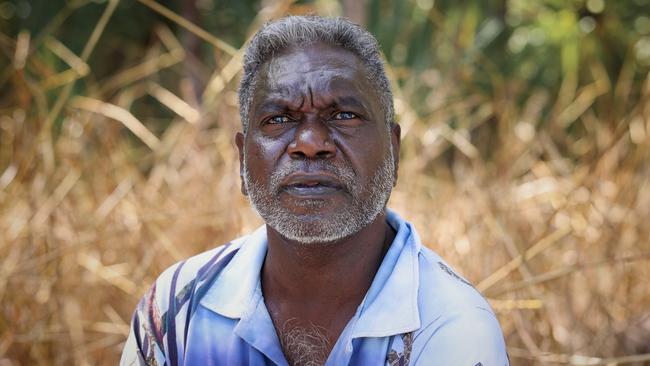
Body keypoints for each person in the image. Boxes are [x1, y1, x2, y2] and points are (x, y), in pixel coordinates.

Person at [120, 15, 509, 366]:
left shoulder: (450, 328)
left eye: (344, 115)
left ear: (394, 152)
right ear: (242, 161)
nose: (310, 142)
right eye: (278, 119)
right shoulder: (176, 313)